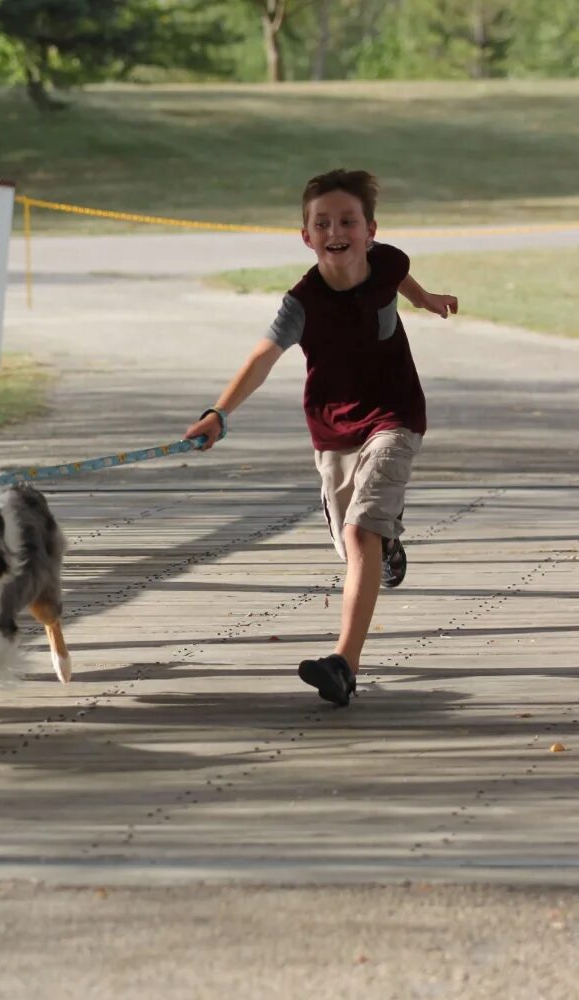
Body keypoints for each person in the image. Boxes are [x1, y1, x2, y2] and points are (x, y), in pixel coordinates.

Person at [184, 169, 458, 706]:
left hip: (395, 416)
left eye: (347, 221)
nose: (336, 230)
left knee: (360, 534)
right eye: (322, 222)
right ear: (306, 236)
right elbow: (262, 357)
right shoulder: (302, 303)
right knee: (352, 542)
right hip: (332, 431)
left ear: (370, 229)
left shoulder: (389, 262)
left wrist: (424, 299)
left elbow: (399, 278)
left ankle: (344, 664)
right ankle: (387, 541)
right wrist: (219, 411)